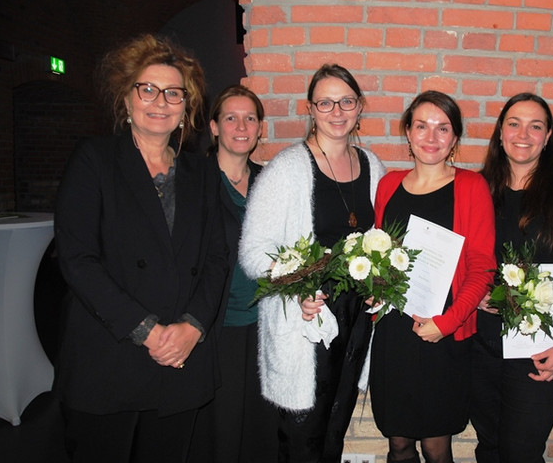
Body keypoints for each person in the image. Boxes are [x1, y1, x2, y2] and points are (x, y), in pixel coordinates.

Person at [53, 34, 229, 462]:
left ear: (186, 108)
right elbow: (77, 259)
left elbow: (216, 259)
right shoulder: (93, 159)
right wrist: (147, 331)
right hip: (110, 353)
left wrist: (192, 327)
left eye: (173, 93)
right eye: (147, 89)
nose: (160, 101)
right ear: (127, 97)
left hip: (181, 359)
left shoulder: (201, 173)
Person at [238, 64, 386, 463]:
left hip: (356, 320)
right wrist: (299, 286)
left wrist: (383, 287)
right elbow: (253, 253)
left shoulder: (373, 166)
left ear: (360, 107)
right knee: (302, 438)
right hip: (306, 319)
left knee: (335, 428)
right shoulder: (286, 169)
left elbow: (385, 246)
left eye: (347, 101)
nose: (337, 111)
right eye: (325, 102)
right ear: (310, 108)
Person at [470, 93, 553, 463]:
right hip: (481, 346)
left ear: (548, 136)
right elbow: (463, 260)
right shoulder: (477, 190)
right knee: (489, 448)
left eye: (535, 125)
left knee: (520, 452)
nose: (523, 134)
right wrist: (473, 291)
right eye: (514, 123)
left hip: (540, 351)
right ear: (499, 133)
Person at [370, 90, 496, 463]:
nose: (431, 137)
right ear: (408, 132)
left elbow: (482, 267)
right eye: (422, 126)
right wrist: (374, 290)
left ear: (455, 138)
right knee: (398, 443)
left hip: (444, 335)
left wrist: (447, 323)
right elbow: (379, 256)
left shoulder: (472, 187)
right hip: (394, 334)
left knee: (436, 447)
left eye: (443, 128)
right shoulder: (388, 185)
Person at [188, 85, 277, 462]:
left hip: (264, 325)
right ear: (213, 126)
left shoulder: (271, 182)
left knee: (260, 429)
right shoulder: (193, 181)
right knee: (219, 430)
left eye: (250, 118)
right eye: (230, 117)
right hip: (215, 325)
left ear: (260, 129)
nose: (241, 126)